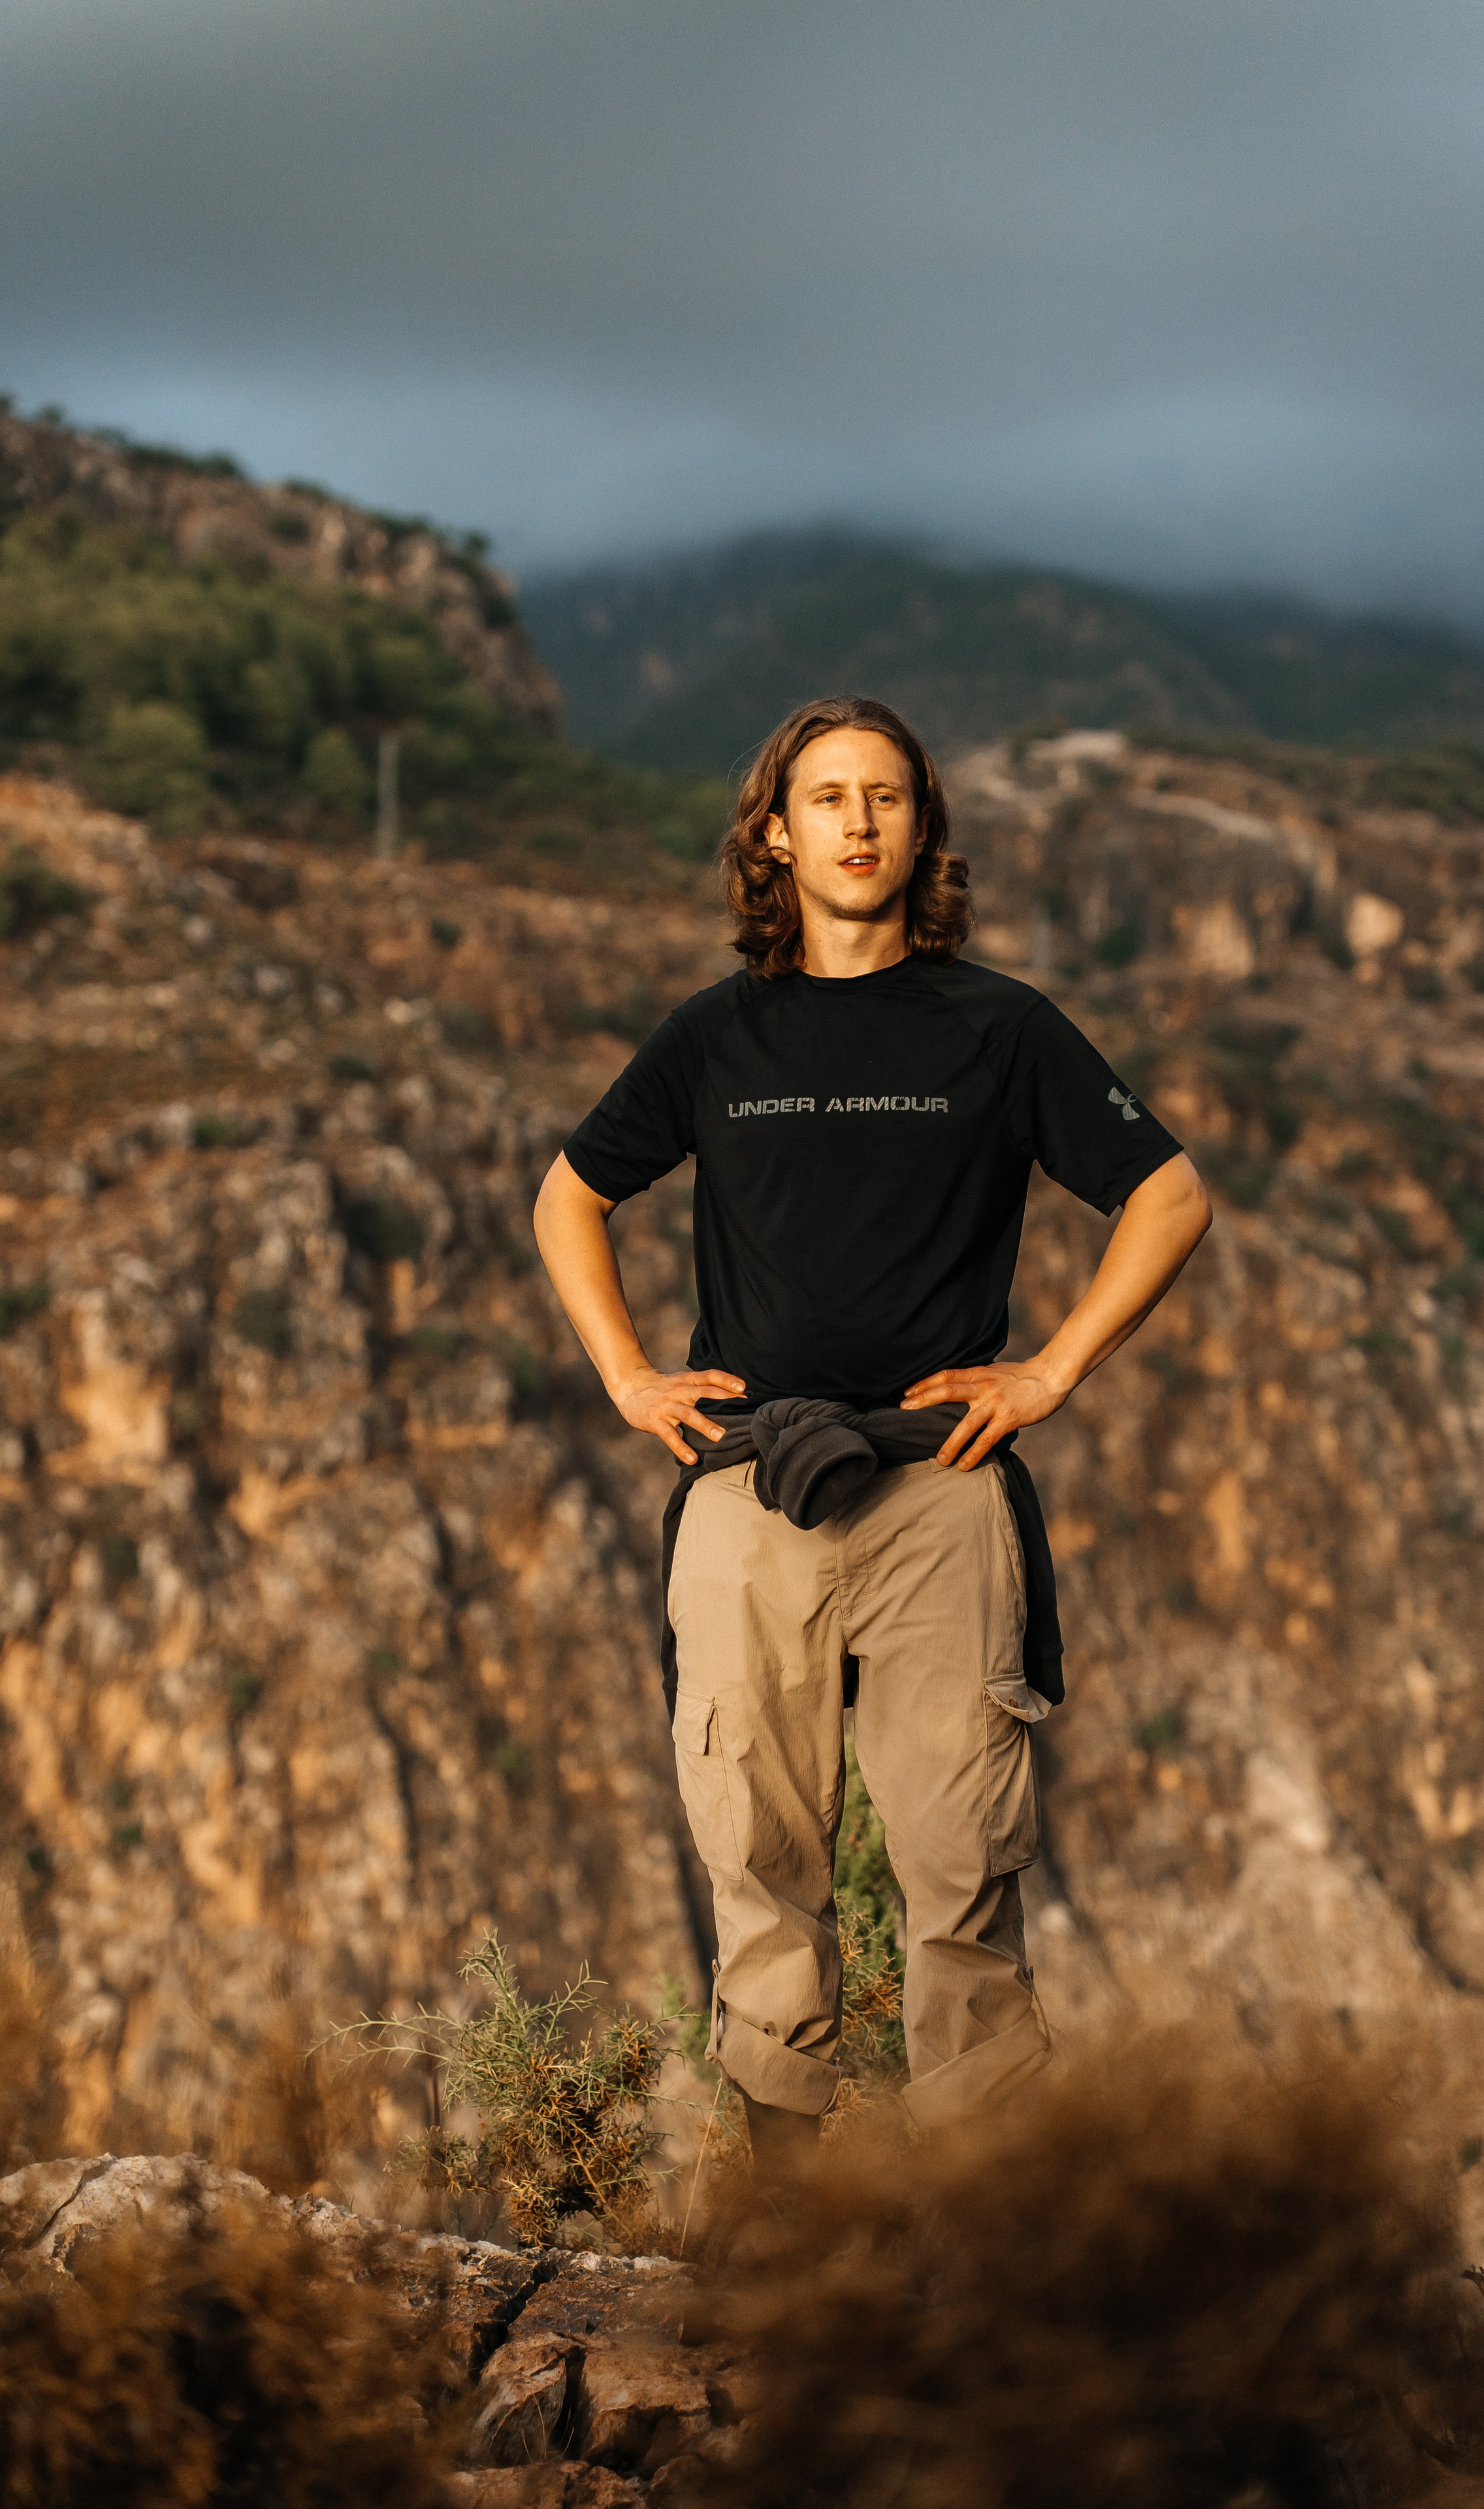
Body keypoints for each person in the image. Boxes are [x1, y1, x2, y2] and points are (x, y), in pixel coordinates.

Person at [533, 694, 1210, 2175]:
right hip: (745, 1490)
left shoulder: (1000, 1026)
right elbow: (568, 1195)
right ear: (773, 832)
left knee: (960, 1871)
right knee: (754, 1860)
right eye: (827, 798)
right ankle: (792, 2246)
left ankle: (986, 2245)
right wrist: (631, 1380)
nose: (857, 823)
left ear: (922, 830)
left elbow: (1167, 1194)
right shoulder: (714, 1034)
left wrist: (1050, 1373)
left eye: (886, 797)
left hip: (939, 1490)